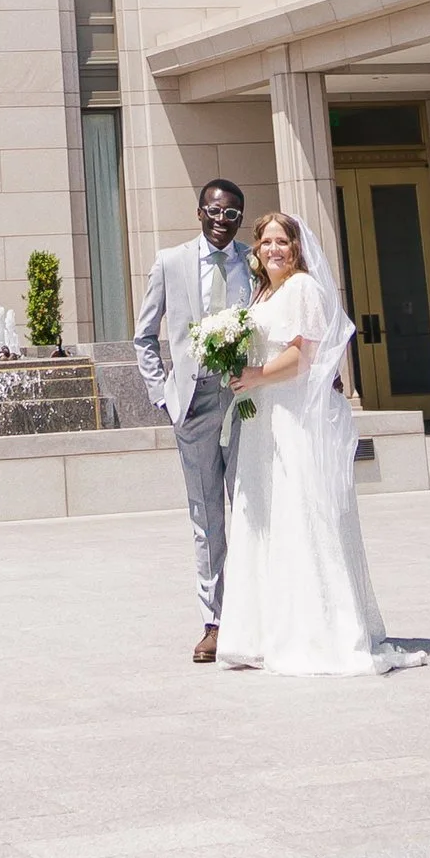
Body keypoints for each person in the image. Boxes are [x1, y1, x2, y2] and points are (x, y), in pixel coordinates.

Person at [218, 210, 422, 677]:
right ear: (256, 249)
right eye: (266, 242)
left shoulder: (303, 289)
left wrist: (256, 376)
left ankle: (315, 630)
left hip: (290, 415)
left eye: (282, 242)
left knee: (297, 515)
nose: (274, 249)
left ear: (296, 249)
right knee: (263, 516)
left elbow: (303, 356)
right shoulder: (263, 293)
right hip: (262, 418)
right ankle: (263, 632)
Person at [133, 177, 254, 661]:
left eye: (233, 215)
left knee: (251, 508)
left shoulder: (253, 259)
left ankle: (257, 612)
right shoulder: (171, 262)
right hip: (195, 401)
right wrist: (164, 396)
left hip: (247, 401)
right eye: (216, 211)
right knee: (207, 516)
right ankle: (216, 622)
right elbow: (144, 337)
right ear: (200, 212)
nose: (223, 222)